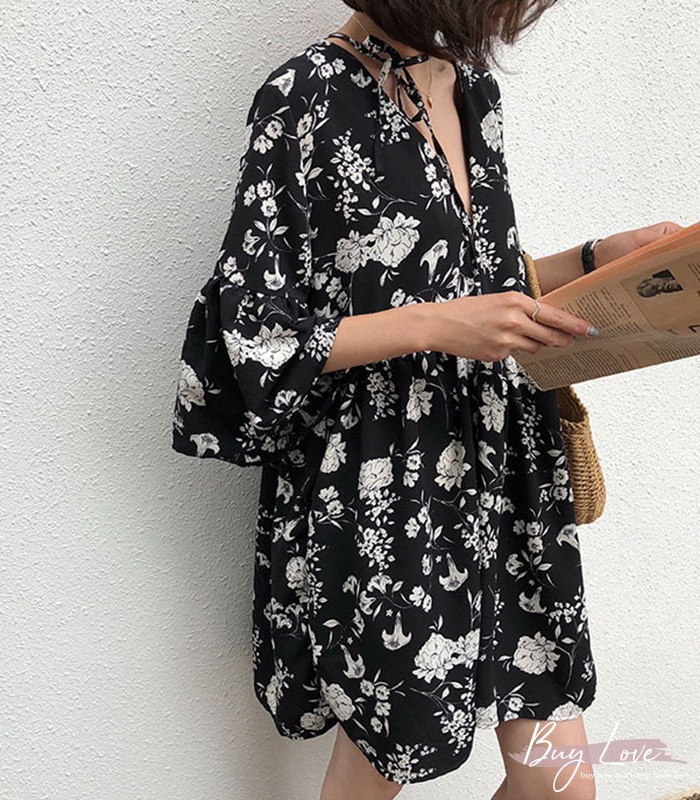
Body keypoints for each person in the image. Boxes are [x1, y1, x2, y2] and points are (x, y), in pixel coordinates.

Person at [171, 2, 682, 797]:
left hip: (501, 472)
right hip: (386, 487)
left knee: (560, 786)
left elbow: (468, 275)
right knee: (385, 762)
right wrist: (437, 325)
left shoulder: (469, 87)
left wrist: (594, 259)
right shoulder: (304, 96)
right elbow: (254, 338)